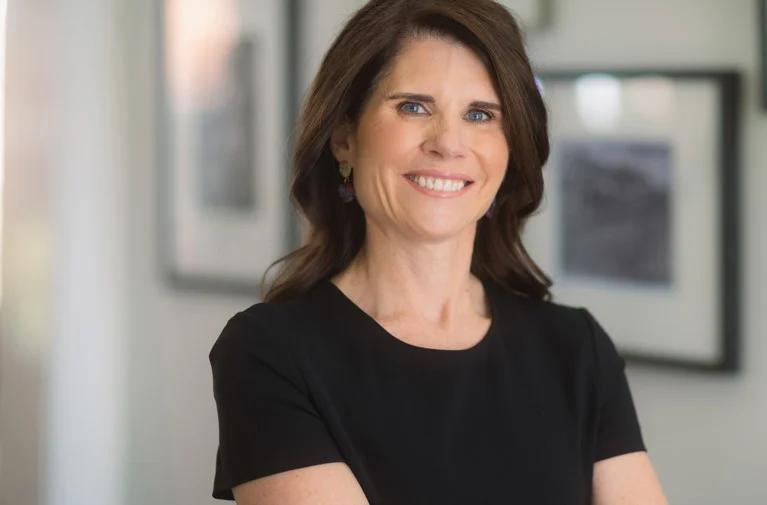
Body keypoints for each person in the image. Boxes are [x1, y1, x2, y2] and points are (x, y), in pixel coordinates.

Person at [208, 0, 670, 503]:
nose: (449, 143)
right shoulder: (270, 353)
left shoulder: (577, 350)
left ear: (510, 151)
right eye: (413, 106)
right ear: (344, 138)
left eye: (480, 115)